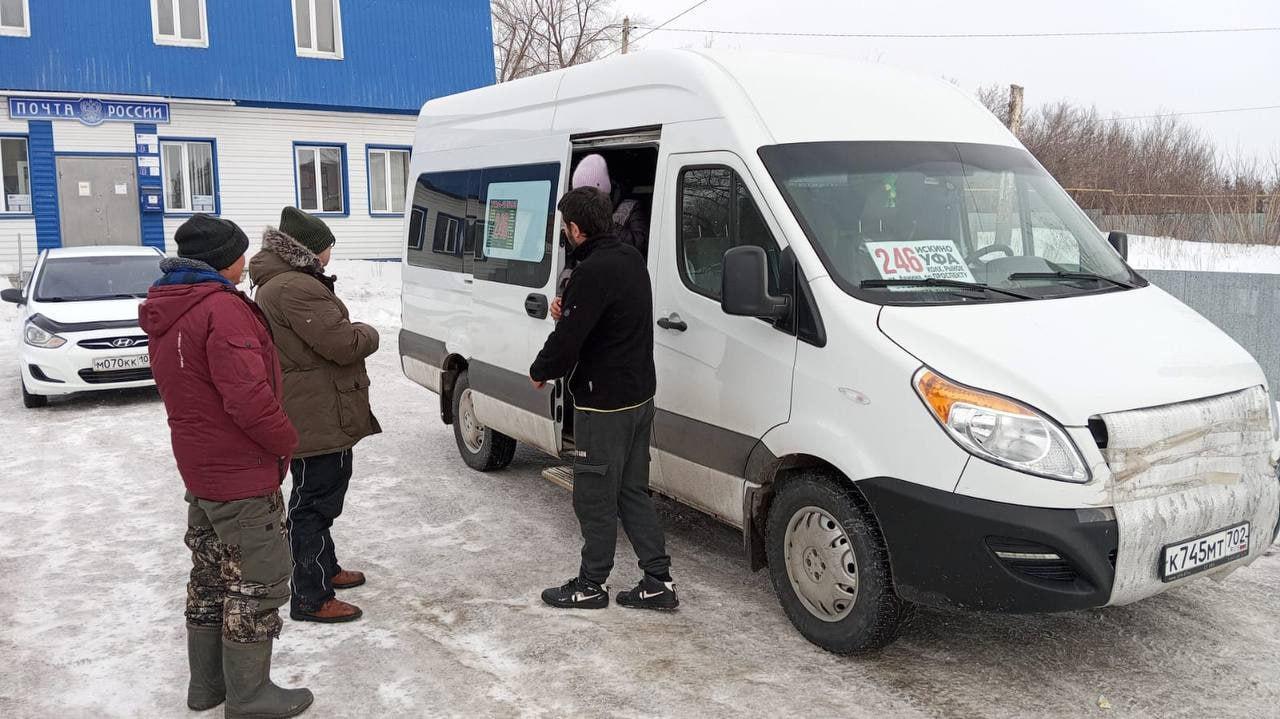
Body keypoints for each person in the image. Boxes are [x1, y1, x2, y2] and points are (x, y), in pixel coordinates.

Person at [140, 214, 313, 718]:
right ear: (223, 260)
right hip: (240, 471)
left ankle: (208, 687)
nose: (247, 262)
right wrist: (286, 439)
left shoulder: (171, 305)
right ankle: (249, 696)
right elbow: (248, 399)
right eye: (241, 253)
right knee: (258, 579)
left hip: (202, 470)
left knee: (212, 575)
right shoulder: (221, 309)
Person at [529, 187, 678, 611]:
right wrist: (570, 307)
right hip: (640, 396)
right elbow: (609, 317)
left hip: (604, 404)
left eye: (564, 229)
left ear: (576, 229)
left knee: (593, 495)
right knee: (632, 491)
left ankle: (591, 584)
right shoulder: (630, 258)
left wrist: (541, 370)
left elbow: (570, 340)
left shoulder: (592, 271)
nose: (564, 235)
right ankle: (658, 581)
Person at [249, 207, 380, 625]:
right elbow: (342, 344)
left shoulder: (285, 283)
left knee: (319, 494)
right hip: (316, 411)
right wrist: (368, 331)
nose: (330, 253)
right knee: (314, 502)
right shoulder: (294, 287)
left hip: (316, 406)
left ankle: (325, 567)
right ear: (310, 248)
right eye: (327, 246)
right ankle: (311, 594)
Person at [551, 153, 652, 321]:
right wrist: (564, 293)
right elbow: (571, 253)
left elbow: (641, 243)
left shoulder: (630, 207)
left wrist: (601, 227)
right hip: (584, 294)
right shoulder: (573, 219)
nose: (583, 203)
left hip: (613, 294)